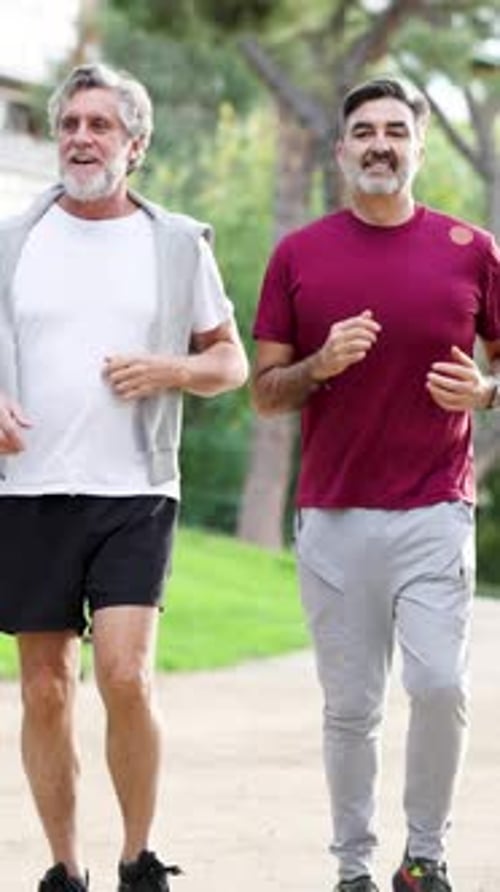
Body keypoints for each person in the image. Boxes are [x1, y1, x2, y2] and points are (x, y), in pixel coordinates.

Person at [0, 62, 248, 892]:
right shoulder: (12, 240)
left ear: (134, 145)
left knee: (124, 674)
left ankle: (139, 859)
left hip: (135, 488)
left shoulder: (175, 242)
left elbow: (230, 361)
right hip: (26, 490)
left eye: (100, 125)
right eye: (70, 123)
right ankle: (64, 871)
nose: (79, 138)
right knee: (43, 689)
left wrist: (170, 370)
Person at [251, 77, 500, 892]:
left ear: (419, 146)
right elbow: (262, 392)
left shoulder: (473, 248)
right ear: (341, 150)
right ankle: (354, 868)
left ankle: (423, 856)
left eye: (396, 130)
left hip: (436, 506)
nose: (380, 144)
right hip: (333, 514)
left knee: (438, 684)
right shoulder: (300, 254)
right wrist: (320, 365)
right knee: (350, 708)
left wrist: (488, 393)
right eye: (364, 131)